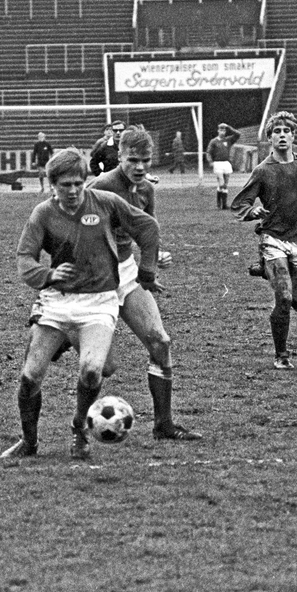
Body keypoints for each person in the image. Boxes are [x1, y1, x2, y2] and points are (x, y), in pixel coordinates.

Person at [1, 148, 162, 463]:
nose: (73, 191)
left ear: (85, 181)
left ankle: (79, 427)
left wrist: (146, 272)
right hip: (56, 303)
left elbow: (148, 228)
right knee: (30, 377)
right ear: (53, 186)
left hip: (99, 302)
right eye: (65, 185)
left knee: (92, 370)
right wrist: (47, 274)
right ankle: (29, 441)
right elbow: (24, 258)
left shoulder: (106, 203)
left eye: (78, 183)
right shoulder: (43, 214)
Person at [89, 126, 202, 441]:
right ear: (120, 157)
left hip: (126, 273)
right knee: (103, 367)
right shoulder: (100, 187)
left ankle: (163, 426)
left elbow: (143, 232)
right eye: (133, 160)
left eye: (146, 161)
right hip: (96, 280)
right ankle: (78, 428)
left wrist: (154, 257)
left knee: (160, 342)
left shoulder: (147, 190)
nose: (139, 167)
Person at [230, 111, 297, 371]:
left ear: (293, 136)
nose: (282, 135)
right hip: (272, 239)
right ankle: (281, 355)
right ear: (270, 138)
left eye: (287, 131)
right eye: (277, 132)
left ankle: (266, 269)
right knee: (284, 297)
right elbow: (239, 203)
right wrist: (251, 212)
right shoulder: (263, 171)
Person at [206, 122, 242, 209]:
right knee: (221, 183)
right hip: (218, 163)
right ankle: (219, 203)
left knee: (225, 184)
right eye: (221, 130)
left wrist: (229, 127)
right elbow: (208, 152)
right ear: (218, 131)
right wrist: (210, 161)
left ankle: (223, 205)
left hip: (226, 163)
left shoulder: (228, 140)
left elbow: (238, 134)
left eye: (224, 130)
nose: (222, 132)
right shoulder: (214, 141)